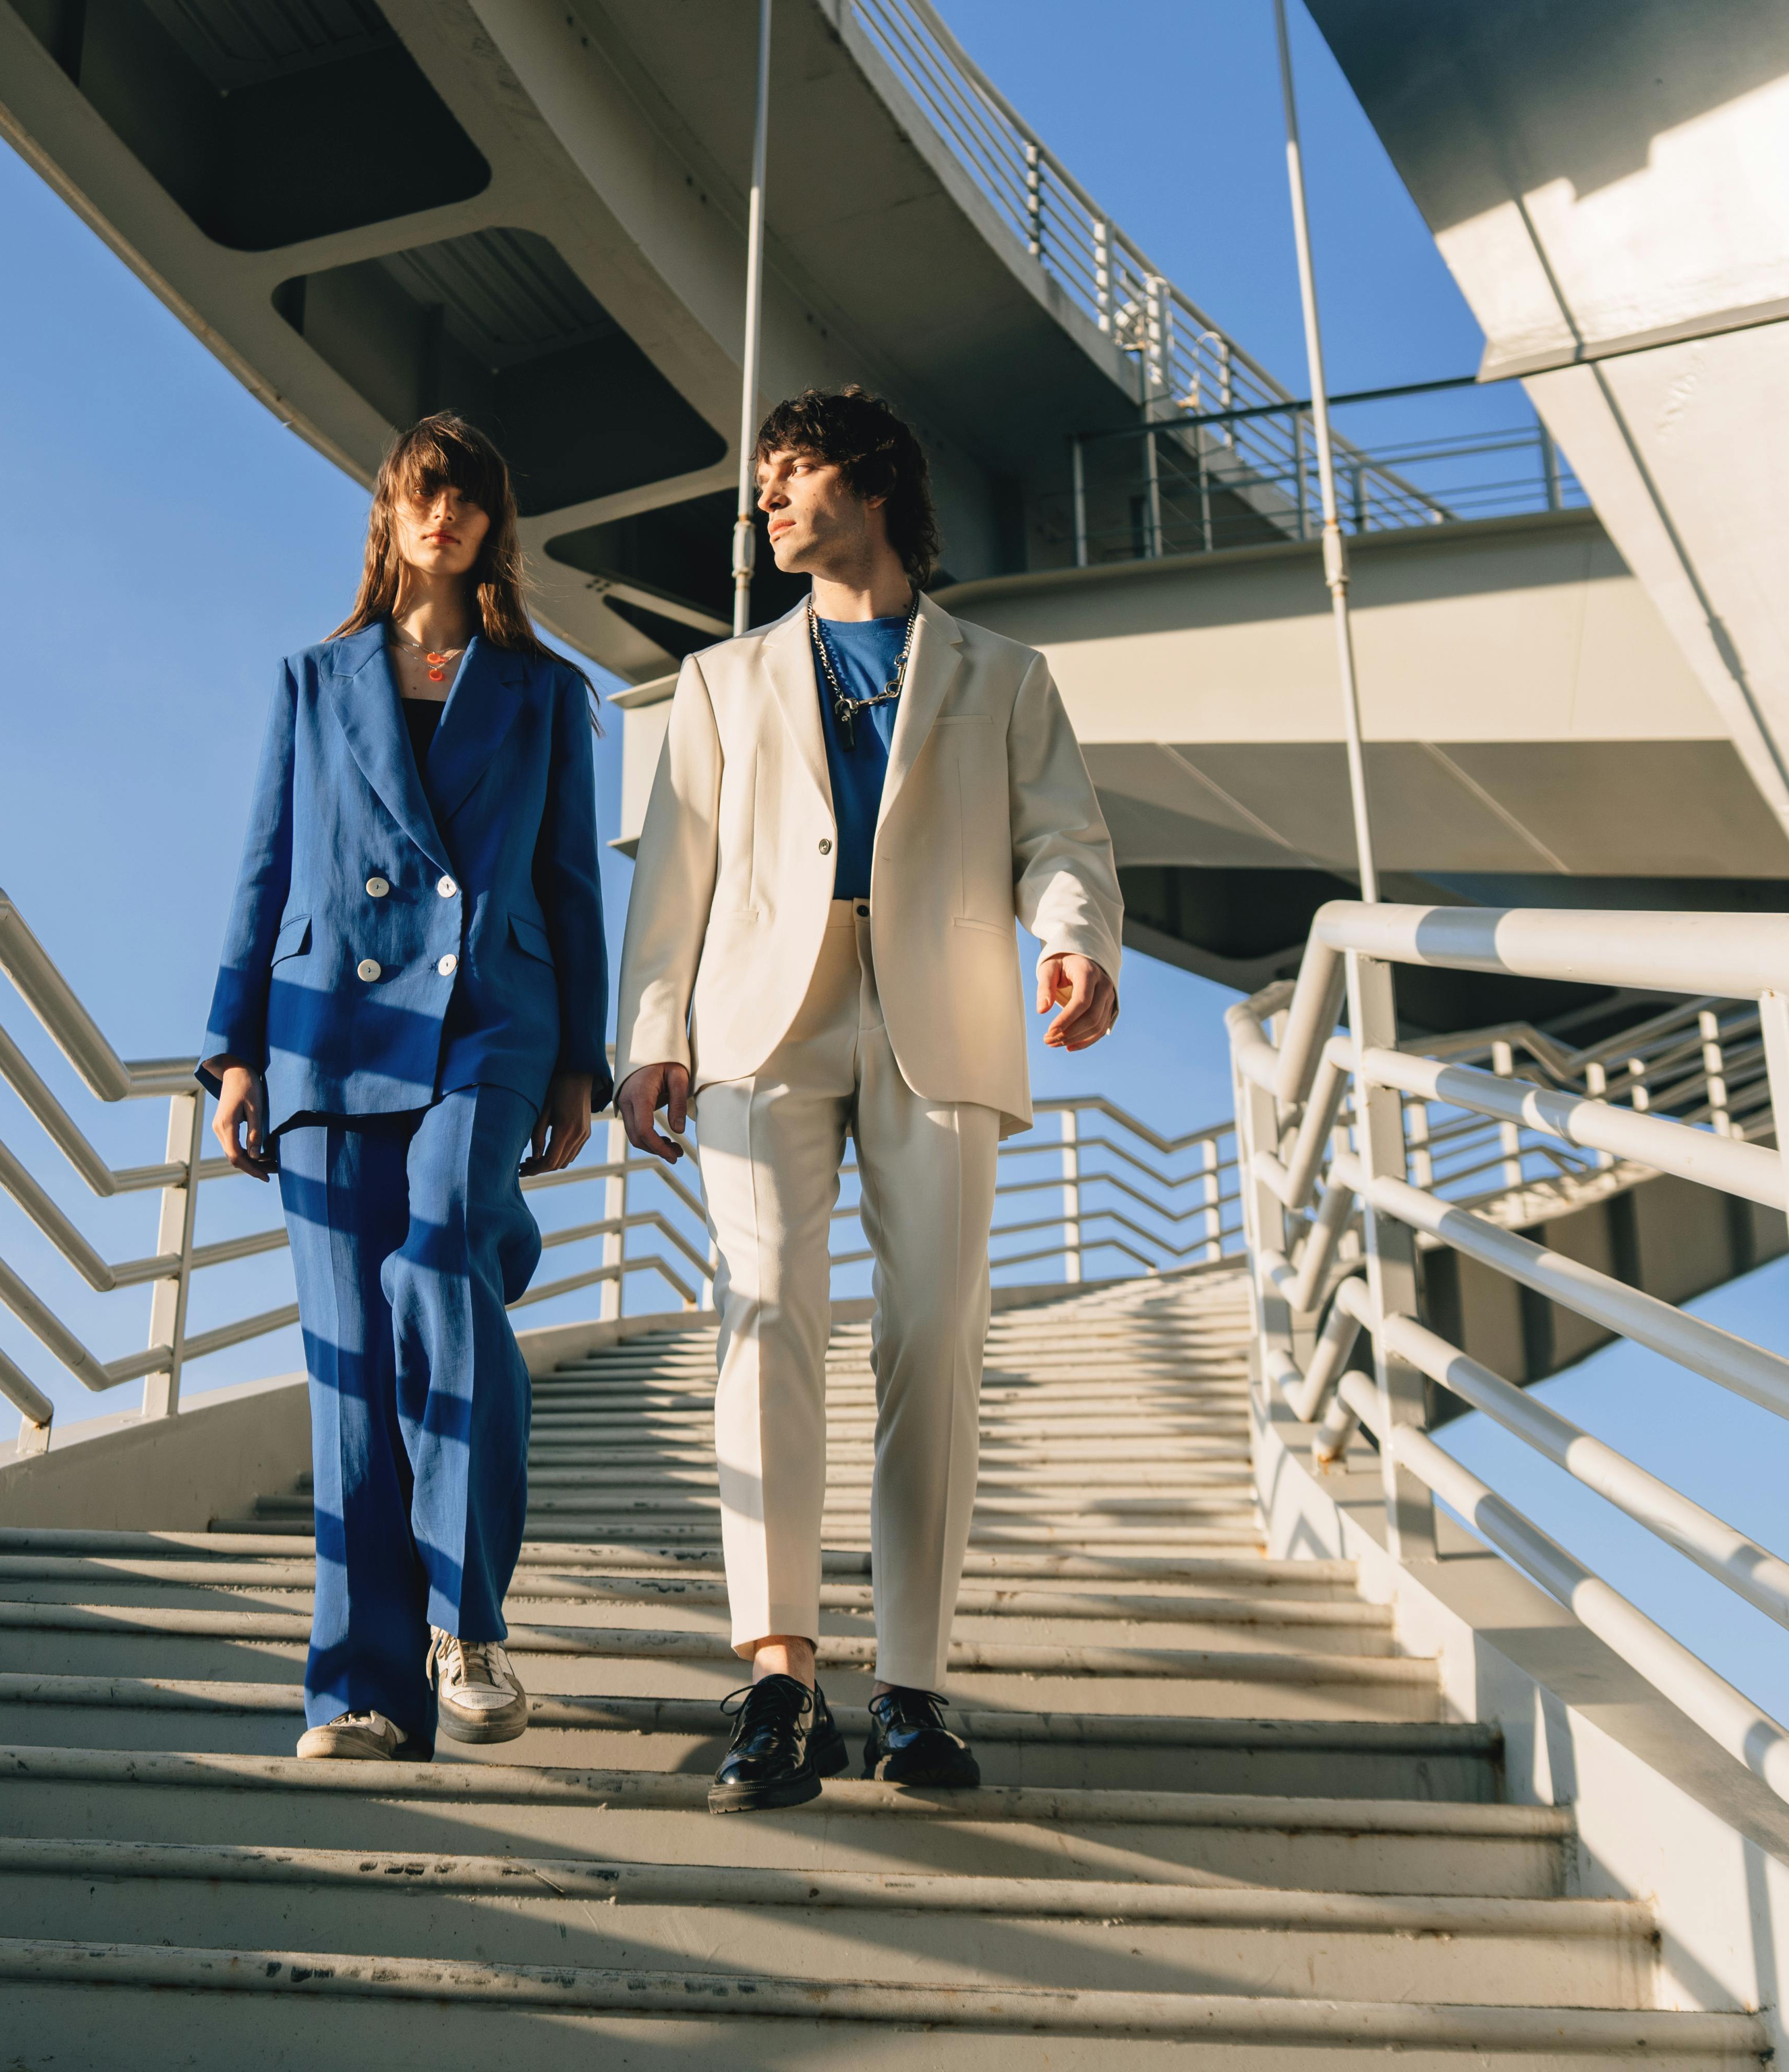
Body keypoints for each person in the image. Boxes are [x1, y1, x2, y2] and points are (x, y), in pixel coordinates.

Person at [613, 386, 1122, 1811]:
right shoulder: (721, 682)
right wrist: (651, 1030)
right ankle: (780, 1681)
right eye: (762, 482)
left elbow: (1062, 831)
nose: (766, 501)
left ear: (874, 485)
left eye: (792, 473)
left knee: (936, 1337)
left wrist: (1073, 938)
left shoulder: (1004, 675)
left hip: (943, 1014)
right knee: (768, 1307)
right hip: (761, 1019)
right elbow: (674, 872)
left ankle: (912, 1687)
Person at [200, 414, 611, 1765]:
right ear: (388, 513)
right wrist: (236, 1047)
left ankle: (466, 1618)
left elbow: (571, 881)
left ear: (493, 523)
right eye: (418, 494)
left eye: (465, 497)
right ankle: (365, 1692)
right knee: (352, 1372)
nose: (440, 515)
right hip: (330, 1036)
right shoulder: (314, 682)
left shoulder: (543, 691)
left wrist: (580, 1057)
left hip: (492, 1021)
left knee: (444, 1258)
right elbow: (264, 871)